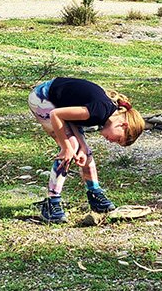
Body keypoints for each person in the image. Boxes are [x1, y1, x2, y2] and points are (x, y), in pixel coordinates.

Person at [28, 77, 145, 224]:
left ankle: (95, 194)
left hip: (58, 102)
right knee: (71, 147)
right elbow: (56, 114)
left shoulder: (103, 114)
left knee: (83, 150)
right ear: (124, 125)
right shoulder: (100, 111)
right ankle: (52, 203)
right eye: (118, 139)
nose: (112, 141)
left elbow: (75, 119)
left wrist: (82, 145)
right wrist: (66, 147)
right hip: (42, 97)